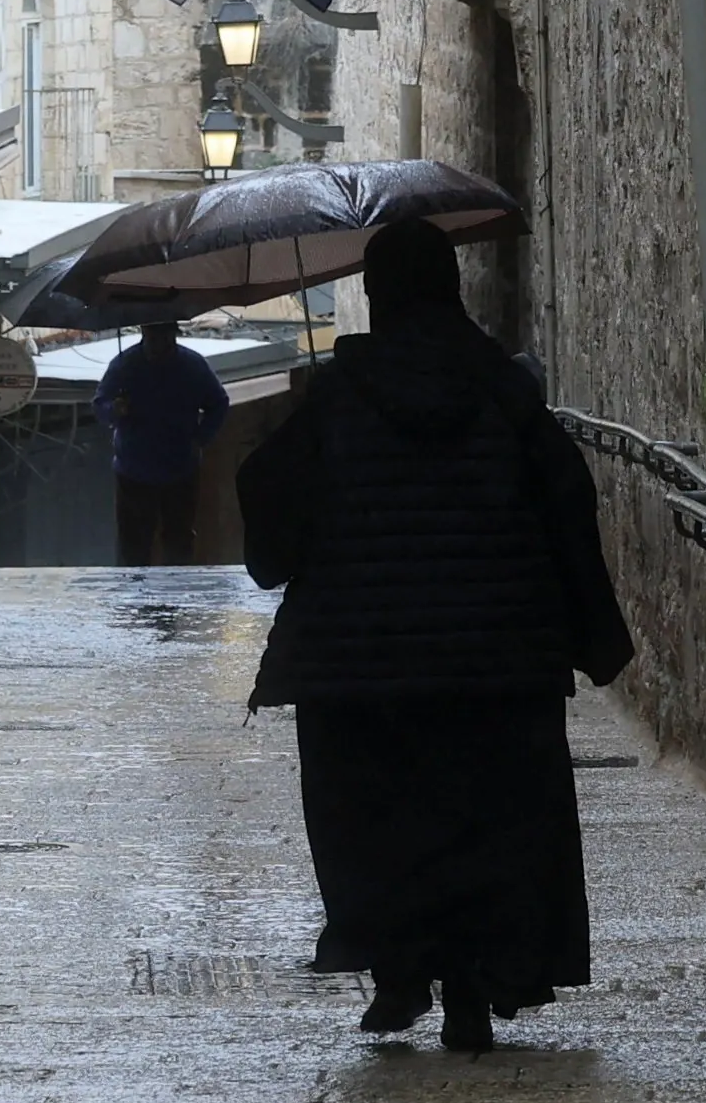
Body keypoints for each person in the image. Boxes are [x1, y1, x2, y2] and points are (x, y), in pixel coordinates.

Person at [234, 212, 632, 1052]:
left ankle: (400, 968)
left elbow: (274, 513)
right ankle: (470, 991)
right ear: (450, 286)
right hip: (496, 654)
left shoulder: (339, 394)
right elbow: (567, 506)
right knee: (486, 821)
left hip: (360, 660)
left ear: (378, 293)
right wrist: (595, 635)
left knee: (378, 820)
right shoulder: (506, 391)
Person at [91, 317, 230, 564]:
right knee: (133, 544)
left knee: (178, 541)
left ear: (174, 336)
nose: (160, 344)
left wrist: (201, 438)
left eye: (166, 337)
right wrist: (116, 408)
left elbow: (219, 403)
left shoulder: (192, 365)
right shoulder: (125, 365)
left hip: (180, 468)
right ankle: (133, 597)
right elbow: (100, 405)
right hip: (133, 472)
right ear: (144, 333)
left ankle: (176, 598)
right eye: (154, 337)